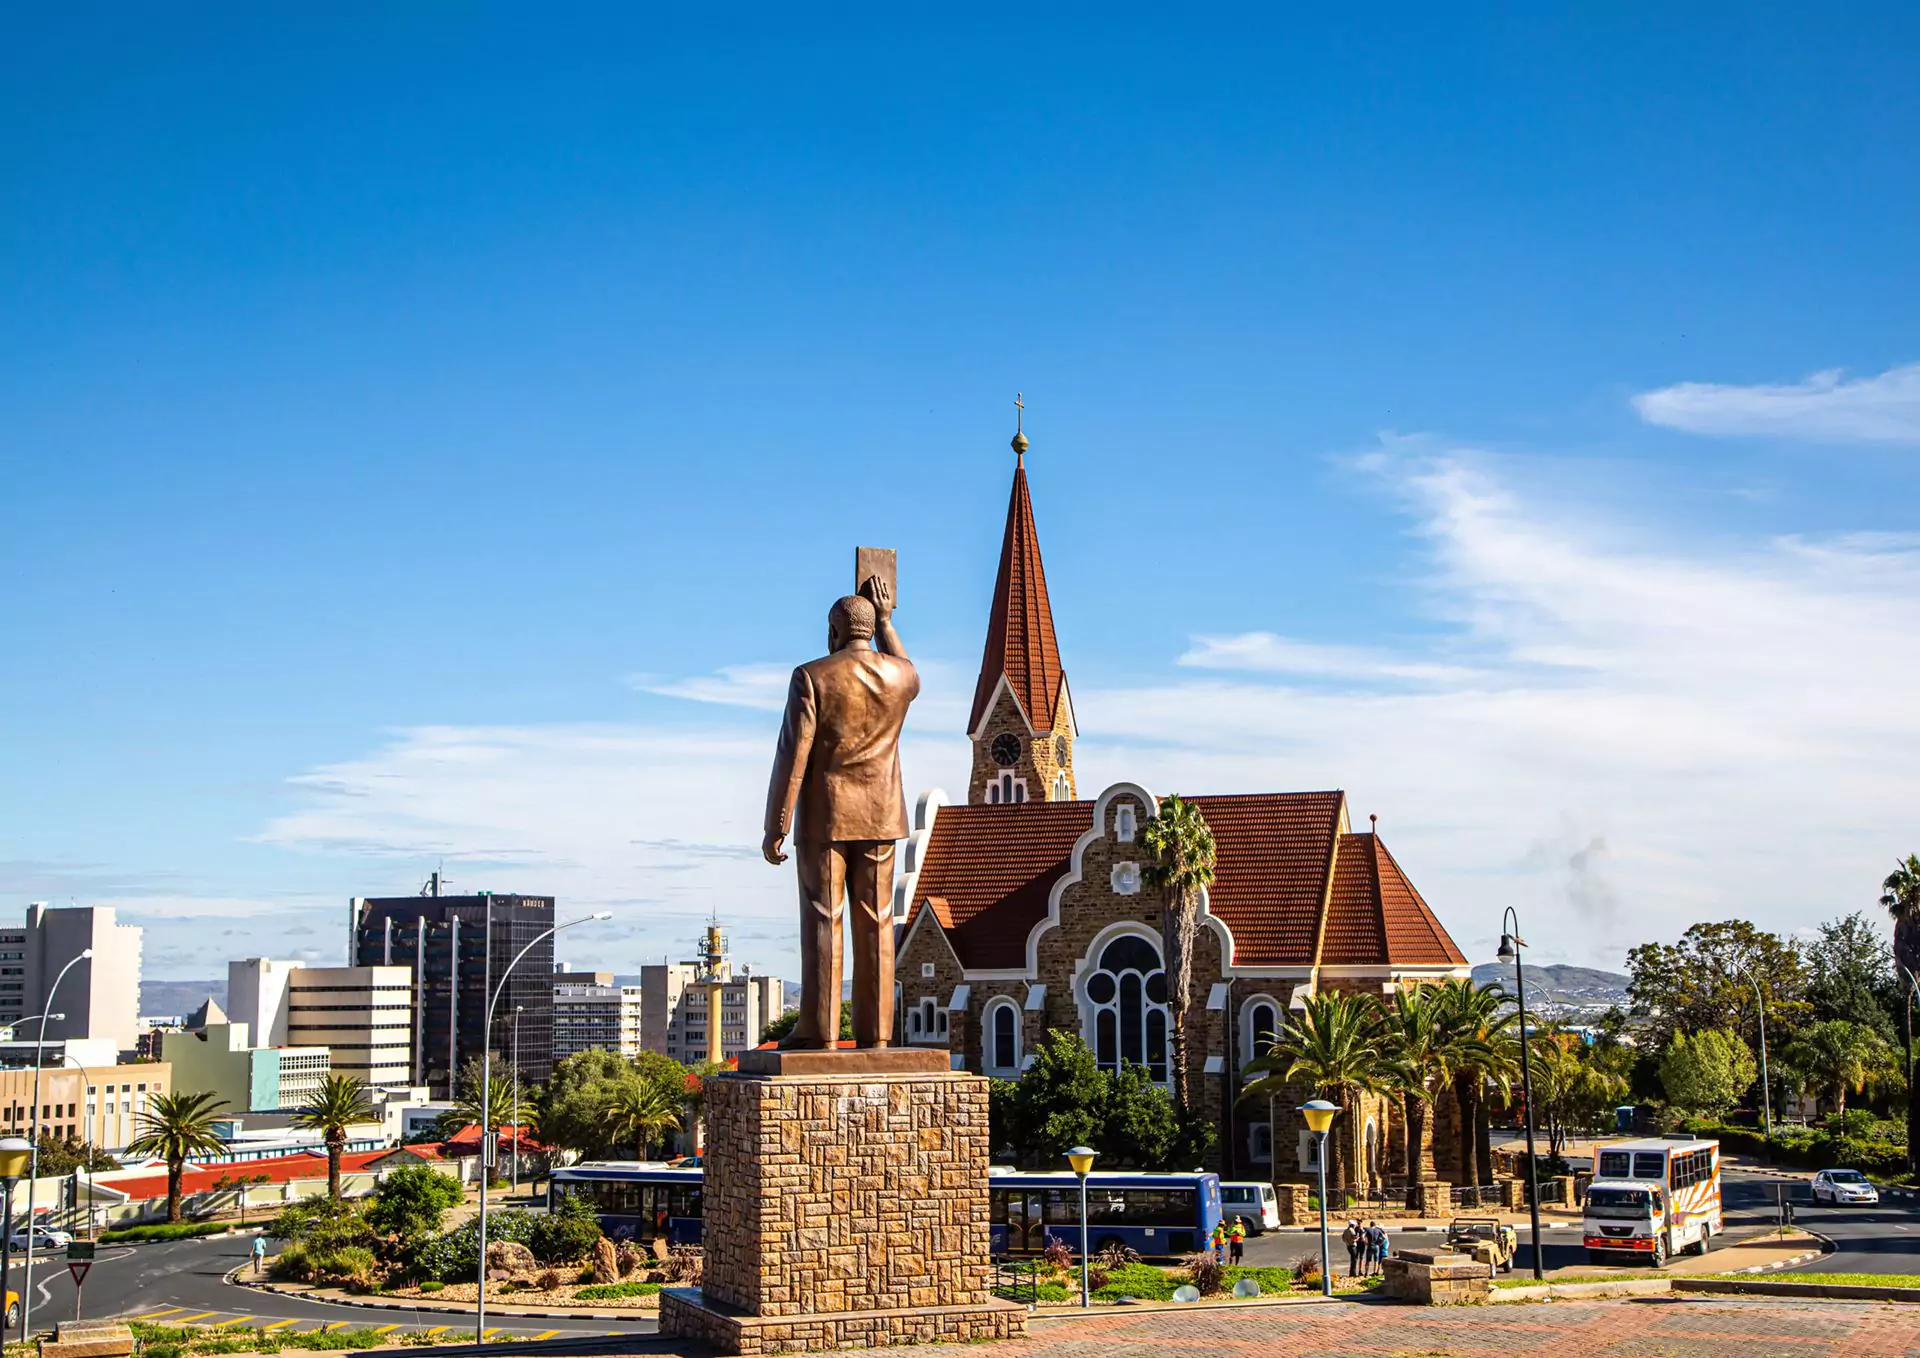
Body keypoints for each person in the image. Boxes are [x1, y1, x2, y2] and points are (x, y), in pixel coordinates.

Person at [763, 577, 919, 1049]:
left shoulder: (812, 676)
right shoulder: (899, 679)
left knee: (822, 918)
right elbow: (909, 667)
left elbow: (793, 755)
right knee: (877, 922)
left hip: (826, 818)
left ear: (833, 631)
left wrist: (777, 824)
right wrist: (889, 622)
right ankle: (877, 1036)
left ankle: (820, 1032)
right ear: (871, 630)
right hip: (881, 814)